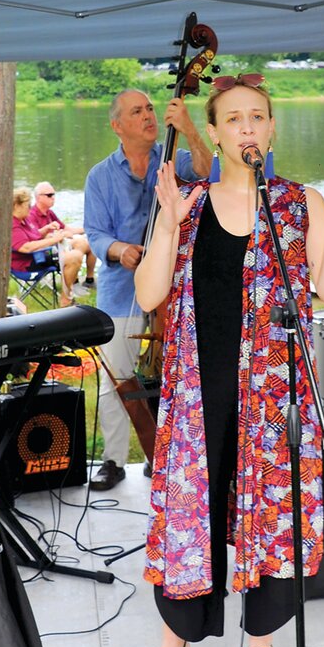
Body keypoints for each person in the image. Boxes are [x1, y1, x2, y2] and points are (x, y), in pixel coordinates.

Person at [133, 74, 324, 647]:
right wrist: (166, 226)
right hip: (199, 386)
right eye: (234, 118)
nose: (247, 127)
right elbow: (147, 294)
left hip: (274, 391)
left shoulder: (298, 203)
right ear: (213, 133)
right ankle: (175, 643)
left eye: (258, 117)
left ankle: (262, 641)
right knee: (197, 506)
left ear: (271, 130)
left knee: (271, 509)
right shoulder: (185, 201)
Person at [83, 89, 213, 491]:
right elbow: (96, 233)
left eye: (151, 108)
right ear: (117, 125)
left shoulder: (174, 159)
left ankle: (169, 455)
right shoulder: (100, 176)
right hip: (122, 289)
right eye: (137, 111)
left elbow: (212, 173)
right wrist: (121, 250)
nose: (148, 116)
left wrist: (189, 127)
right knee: (117, 377)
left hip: (174, 287)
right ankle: (113, 460)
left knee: (178, 375)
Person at [10, 185, 73, 306]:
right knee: (72, 257)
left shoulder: (24, 219)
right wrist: (54, 239)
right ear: (17, 206)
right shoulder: (13, 225)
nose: (30, 207)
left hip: (37, 256)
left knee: (73, 250)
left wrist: (46, 229)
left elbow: (33, 235)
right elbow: (25, 247)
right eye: (27, 205)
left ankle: (68, 295)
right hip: (27, 265)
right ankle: (66, 300)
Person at [30, 181, 96, 295]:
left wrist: (90, 228)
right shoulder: (31, 215)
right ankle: (73, 283)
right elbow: (32, 238)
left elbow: (67, 229)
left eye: (54, 194)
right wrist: (52, 234)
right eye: (49, 195)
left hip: (60, 246)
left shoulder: (49, 213)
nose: (53, 198)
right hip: (44, 253)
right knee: (77, 248)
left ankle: (89, 280)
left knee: (90, 243)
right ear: (38, 197)